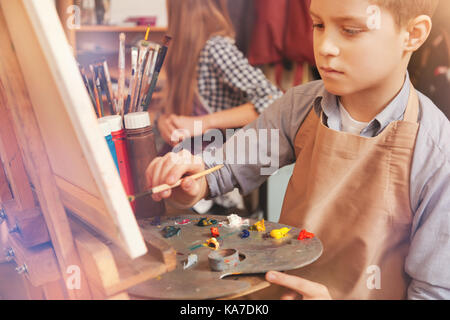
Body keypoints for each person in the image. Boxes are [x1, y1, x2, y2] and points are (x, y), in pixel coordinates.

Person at [146, 0, 450, 300]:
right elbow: (228, 168)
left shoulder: (436, 152)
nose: (325, 46)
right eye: (318, 24)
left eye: (351, 30)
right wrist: (194, 181)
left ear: (413, 34)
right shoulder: (300, 106)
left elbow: (433, 292)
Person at [154, 0, 282, 213]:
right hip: (188, 182)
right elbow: (171, 110)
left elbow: (274, 100)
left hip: (216, 188)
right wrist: (163, 121)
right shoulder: (180, 52)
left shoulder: (216, 48)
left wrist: (203, 123)